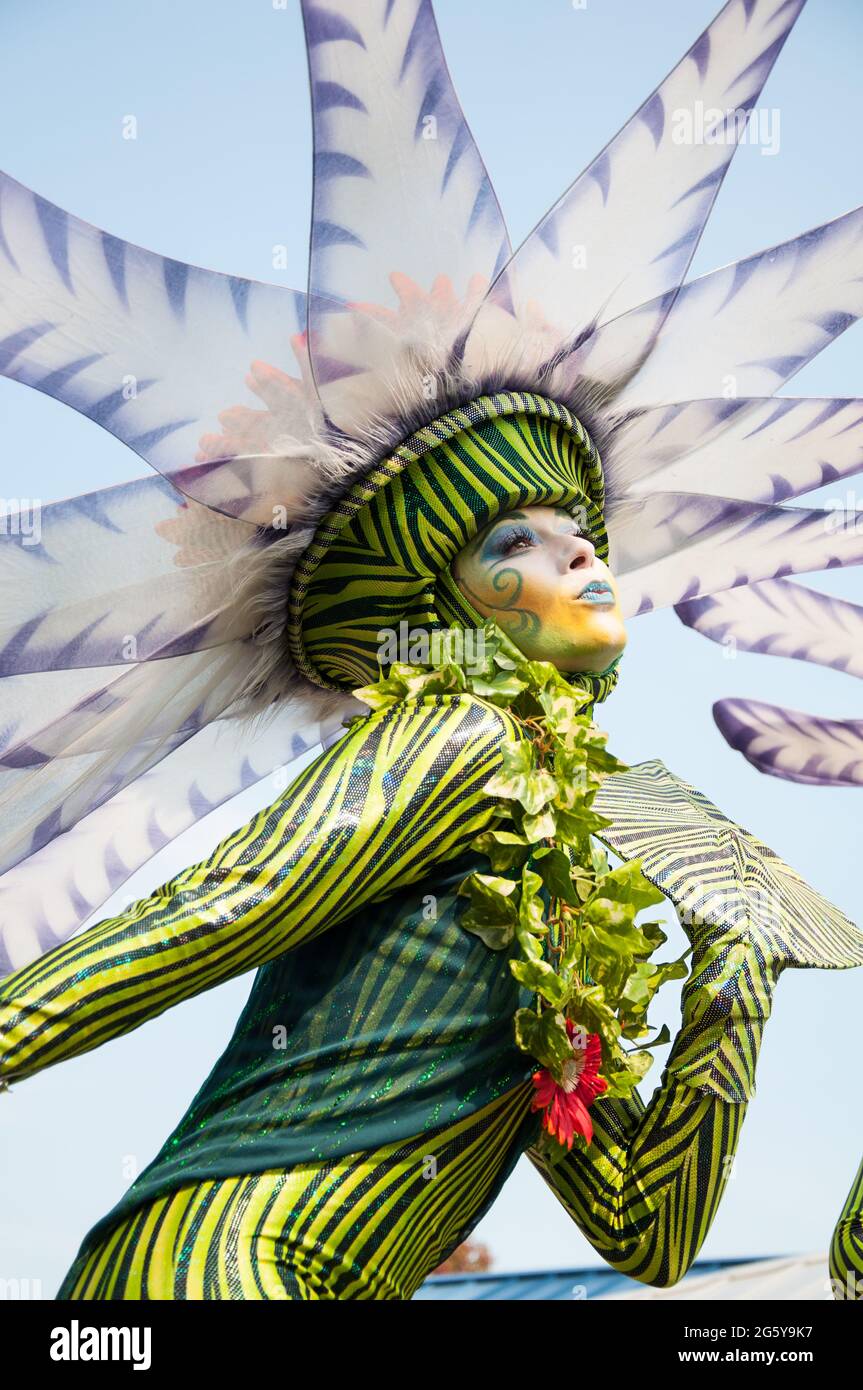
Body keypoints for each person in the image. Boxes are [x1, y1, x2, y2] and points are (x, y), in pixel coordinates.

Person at [1, 0, 862, 1300]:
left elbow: (650, 1231)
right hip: (219, 1269)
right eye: (520, 536)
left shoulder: (576, 886)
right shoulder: (456, 734)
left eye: (585, 531)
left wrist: (733, 985)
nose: (582, 551)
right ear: (446, 606)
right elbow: (219, 906)